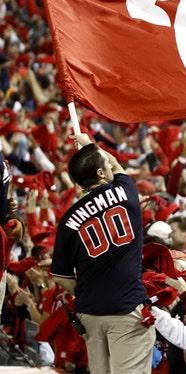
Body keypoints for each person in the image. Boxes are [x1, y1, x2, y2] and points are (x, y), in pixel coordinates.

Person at [50, 133, 154, 374]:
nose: (109, 165)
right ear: (100, 173)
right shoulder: (126, 191)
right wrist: (90, 144)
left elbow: (60, 276)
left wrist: (87, 291)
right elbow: (117, 165)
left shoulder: (67, 221)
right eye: (104, 164)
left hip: (90, 312)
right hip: (126, 307)